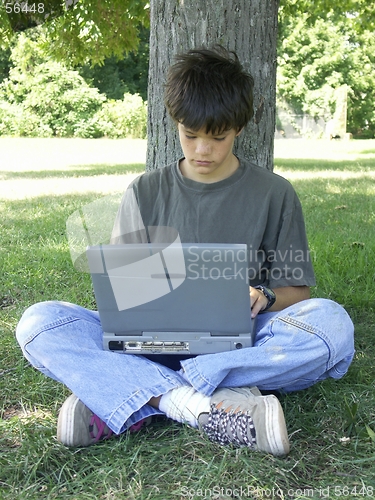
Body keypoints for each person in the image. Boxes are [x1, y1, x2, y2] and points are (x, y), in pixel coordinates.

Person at [15, 46, 354, 457]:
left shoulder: (274, 193)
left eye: (217, 137)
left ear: (239, 129)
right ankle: (203, 405)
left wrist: (262, 295)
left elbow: (299, 294)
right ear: (176, 123)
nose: (202, 151)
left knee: (332, 325)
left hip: (242, 342)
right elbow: (121, 296)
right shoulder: (144, 191)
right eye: (190, 135)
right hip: (152, 345)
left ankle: (127, 396)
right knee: (39, 322)